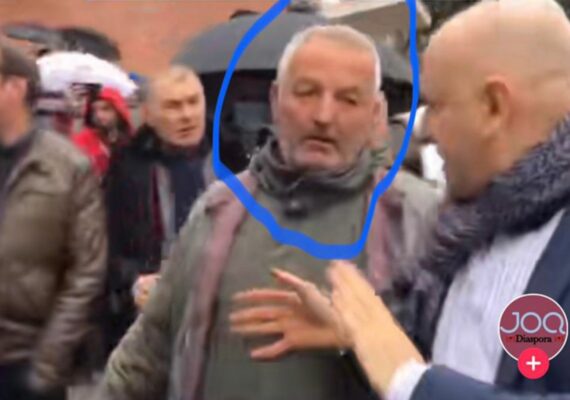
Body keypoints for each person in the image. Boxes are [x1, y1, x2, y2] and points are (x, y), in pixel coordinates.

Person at [229, 1, 570, 399]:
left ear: (494, 107)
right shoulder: (461, 237)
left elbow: (412, 380)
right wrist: (357, 339)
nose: (424, 132)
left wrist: (412, 382)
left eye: (437, 106)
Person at [99, 25, 439, 400]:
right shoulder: (218, 209)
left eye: (348, 100)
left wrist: (357, 340)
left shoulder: (417, 218)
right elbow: (148, 350)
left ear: (375, 114)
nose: (324, 115)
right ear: (276, 100)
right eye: (306, 93)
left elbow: (458, 372)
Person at [0, 43, 107, 400]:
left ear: (15, 87)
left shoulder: (67, 166)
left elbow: (86, 271)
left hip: (26, 361)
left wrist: (48, 362)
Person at [103, 66, 209, 352]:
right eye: (173, 106)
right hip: (151, 320)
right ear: (148, 115)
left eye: (193, 102)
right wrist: (133, 282)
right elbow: (105, 246)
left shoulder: (233, 160)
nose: (187, 115)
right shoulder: (127, 169)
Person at [72, 87, 133, 179]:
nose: (99, 115)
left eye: (106, 109)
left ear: (119, 111)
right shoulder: (80, 142)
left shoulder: (134, 141)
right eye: (94, 110)